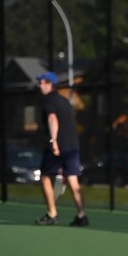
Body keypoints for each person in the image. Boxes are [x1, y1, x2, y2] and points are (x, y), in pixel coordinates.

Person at [34, 71, 90, 227]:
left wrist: (53, 142)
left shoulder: (48, 100)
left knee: (45, 177)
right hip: (73, 146)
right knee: (72, 178)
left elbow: (53, 119)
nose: (40, 85)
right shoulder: (65, 101)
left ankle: (52, 214)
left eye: (42, 82)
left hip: (59, 146)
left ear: (49, 84)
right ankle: (81, 215)